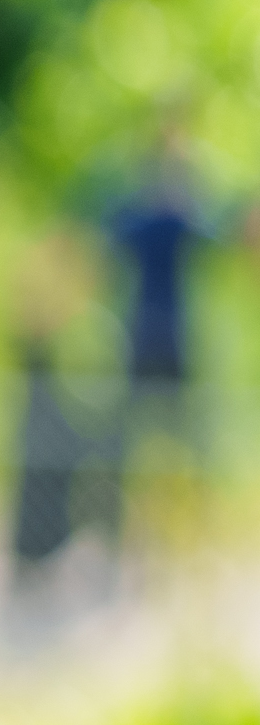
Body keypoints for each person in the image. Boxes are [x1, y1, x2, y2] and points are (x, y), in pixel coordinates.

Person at [98, 114, 240, 529]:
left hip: (156, 333)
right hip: (156, 334)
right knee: (158, 439)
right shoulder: (171, 216)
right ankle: (139, 526)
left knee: (171, 440)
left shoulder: (150, 216)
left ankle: (181, 524)